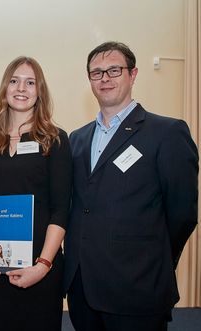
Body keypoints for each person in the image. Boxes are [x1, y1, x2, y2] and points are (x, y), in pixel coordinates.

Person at [64, 41, 198, 331]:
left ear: (133, 75)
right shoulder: (76, 139)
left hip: (138, 288)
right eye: (96, 73)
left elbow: (183, 213)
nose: (105, 79)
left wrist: (153, 258)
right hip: (83, 289)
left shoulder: (167, 132)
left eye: (114, 70)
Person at [0, 56, 72, 331]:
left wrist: (43, 265)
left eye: (30, 82)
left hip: (40, 266)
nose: (21, 88)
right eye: (14, 81)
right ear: (5, 88)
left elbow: (61, 210)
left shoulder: (55, 139)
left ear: (40, 91)